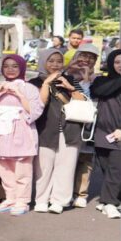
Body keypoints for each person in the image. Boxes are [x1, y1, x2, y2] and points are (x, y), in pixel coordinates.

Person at [30, 49, 87, 214]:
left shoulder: (70, 79)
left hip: (70, 129)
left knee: (66, 166)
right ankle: (41, 199)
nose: (55, 64)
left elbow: (83, 101)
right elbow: (37, 105)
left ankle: (59, 200)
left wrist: (70, 88)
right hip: (45, 128)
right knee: (43, 166)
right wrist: (47, 83)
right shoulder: (34, 82)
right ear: (43, 61)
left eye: (59, 61)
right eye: (51, 60)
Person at [0, 55, 44, 216]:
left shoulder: (29, 88)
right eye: (6, 66)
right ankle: (10, 197)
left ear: (22, 68)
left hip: (22, 132)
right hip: (1, 132)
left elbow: (34, 111)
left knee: (22, 169)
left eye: (14, 66)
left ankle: (22, 200)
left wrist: (19, 94)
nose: (10, 69)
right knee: (4, 168)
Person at [66, 43, 101, 208]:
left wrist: (86, 78)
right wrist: (68, 69)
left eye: (91, 57)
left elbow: (88, 101)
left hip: (87, 124)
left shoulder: (98, 79)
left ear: (95, 61)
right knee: (66, 159)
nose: (86, 60)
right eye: (83, 55)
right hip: (65, 122)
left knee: (85, 160)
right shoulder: (67, 74)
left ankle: (81, 194)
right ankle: (65, 192)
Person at [91, 49, 121, 219]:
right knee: (107, 168)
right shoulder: (102, 81)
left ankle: (109, 202)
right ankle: (113, 200)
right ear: (110, 63)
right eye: (117, 62)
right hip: (102, 132)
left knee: (117, 169)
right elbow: (100, 92)